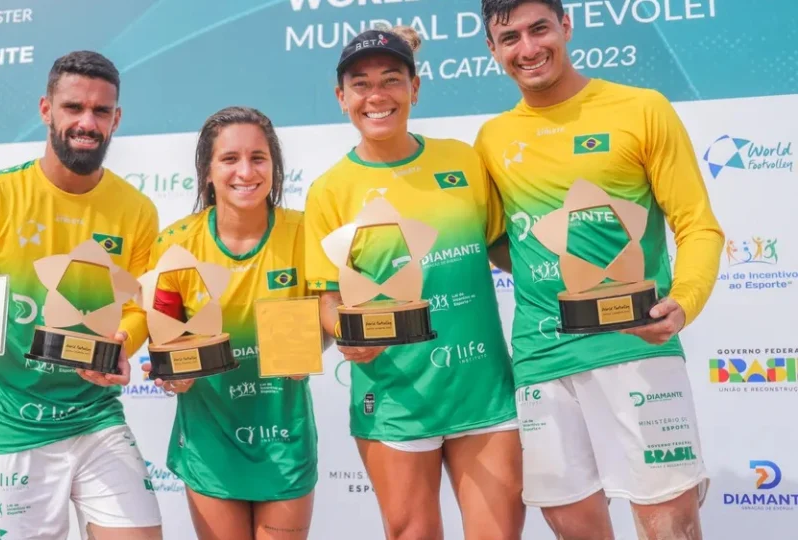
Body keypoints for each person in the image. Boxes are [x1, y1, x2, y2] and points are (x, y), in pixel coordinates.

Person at [474, 1, 725, 539]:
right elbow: (499, 243)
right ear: (493, 50)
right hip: (543, 357)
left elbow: (698, 226)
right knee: (573, 527)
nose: (528, 48)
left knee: (670, 525)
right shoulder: (493, 138)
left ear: (566, 27)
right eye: (510, 37)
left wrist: (683, 303)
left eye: (540, 29)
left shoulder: (642, 108)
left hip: (636, 346)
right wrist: (566, 271)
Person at [303, 26, 525, 540]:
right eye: (360, 84)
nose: (376, 96)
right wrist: (349, 334)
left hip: (482, 390)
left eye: (391, 80)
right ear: (341, 97)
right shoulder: (330, 190)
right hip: (394, 397)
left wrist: (570, 272)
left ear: (415, 88)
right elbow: (327, 298)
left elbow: (504, 249)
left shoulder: (462, 161)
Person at [0, 51, 163, 540]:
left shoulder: (137, 210)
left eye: (101, 111)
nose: (87, 123)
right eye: (73, 107)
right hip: (11, 421)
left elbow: (138, 309)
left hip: (95, 414)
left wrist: (123, 346)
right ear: (46, 109)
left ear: (116, 119)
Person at [140, 106, 318, 539]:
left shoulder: (304, 232)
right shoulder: (175, 244)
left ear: (275, 167)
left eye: (258, 158)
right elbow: (164, 340)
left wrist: (315, 346)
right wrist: (172, 375)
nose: (246, 172)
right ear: (207, 171)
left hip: (284, 437)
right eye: (229, 159)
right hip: (210, 440)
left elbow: (327, 321)